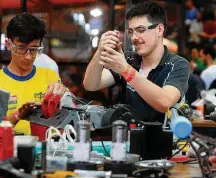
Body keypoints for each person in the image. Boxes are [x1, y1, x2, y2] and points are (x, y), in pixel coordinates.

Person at [83, 1, 190, 123]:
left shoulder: (177, 64)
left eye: (140, 30)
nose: (134, 37)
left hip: (163, 139)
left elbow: (164, 103)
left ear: (159, 30)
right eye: (131, 32)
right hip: (126, 138)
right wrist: (100, 51)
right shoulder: (129, 59)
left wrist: (126, 70)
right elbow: (91, 85)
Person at [0, 12, 66, 135]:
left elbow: (69, 116)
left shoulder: (49, 76)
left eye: (34, 49)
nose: (29, 57)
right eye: (21, 48)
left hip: (46, 149)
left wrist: (63, 96)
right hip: (10, 150)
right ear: (9, 44)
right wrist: (18, 115)